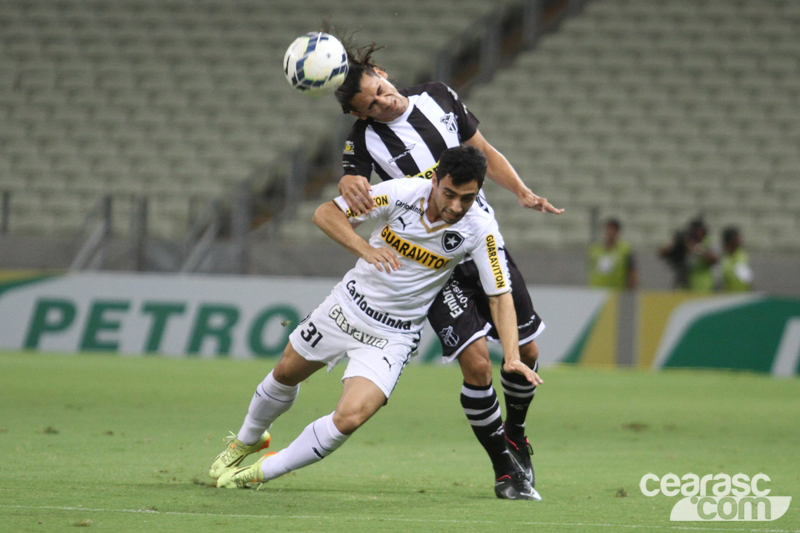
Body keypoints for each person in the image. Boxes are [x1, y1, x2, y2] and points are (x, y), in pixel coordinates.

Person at [210, 146, 543, 500]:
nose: (457, 206)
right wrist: (365, 249)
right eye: (450, 194)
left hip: (392, 335)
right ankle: (248, 439)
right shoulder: (399, 193)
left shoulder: (480, 227)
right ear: (434, 180)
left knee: (350, 417)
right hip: (344, 309)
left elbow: (499, 295)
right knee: (284, 375)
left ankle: (262, 472)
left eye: (468, 197)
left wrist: (510, 355)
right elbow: (325, 214)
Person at [332, 44, 563, 491]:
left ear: (382, 73)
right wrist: (347, 178)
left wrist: (521, 190)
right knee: (477, 366)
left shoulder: (437, 96)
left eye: (379, 91)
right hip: (433, 262)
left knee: (528, 353)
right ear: (360, 116)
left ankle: (515, 433)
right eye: (370, 106)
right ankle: (504, 469)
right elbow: (352, 182)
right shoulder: (362, 141)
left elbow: (483, 150)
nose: (382, 102)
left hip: (480, 241)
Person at [659, 218, 718, 291]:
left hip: (703, 287)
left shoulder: (707, 243)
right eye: (693, 230)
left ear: (703, 231)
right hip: (685, 286)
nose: (694, 233)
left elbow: (714, 259)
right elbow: (661, 252)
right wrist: (676, 243)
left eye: (697, 230)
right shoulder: (686, 244)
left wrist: (696, 250)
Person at [587, 218, 637, 290]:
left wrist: (630, 291)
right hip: (596, 292)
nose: (610, 233)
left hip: (616, 293)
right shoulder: (594, 250)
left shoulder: (624, 250)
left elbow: (632, 272)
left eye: (613, 230)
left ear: (617, 232)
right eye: (608, 229)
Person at [719, 226, 753, 292]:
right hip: (725, 295)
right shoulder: (721, 256)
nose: (740, 239)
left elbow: (747, 278)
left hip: (742, 294)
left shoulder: (742, 255)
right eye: (738, 237)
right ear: (731, 239)